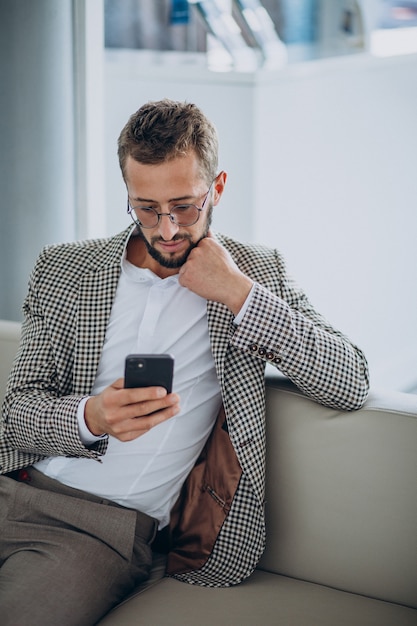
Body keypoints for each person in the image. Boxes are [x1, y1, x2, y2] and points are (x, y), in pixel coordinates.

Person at [0, 99, 369, 625]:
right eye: (146, 208)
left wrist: (240, 293)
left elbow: (350, 380)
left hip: (98, 533)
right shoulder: (66, 267)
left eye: (185, 205)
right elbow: (15, 413)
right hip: (13, 482)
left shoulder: (256, 272)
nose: (167, 228)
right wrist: (92, 418)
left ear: (216, 189)